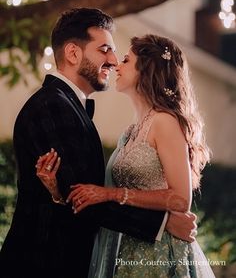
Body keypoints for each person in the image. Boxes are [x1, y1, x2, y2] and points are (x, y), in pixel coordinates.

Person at [0, 9, 196, 278]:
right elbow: (79, 194)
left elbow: (81, 192)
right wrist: (162, 223)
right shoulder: (52, 106)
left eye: (119, 54)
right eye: (105, 49)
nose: (114, 61)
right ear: (73, 53)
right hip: (42, 263)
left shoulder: (69, 106)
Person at [37, 34, 215, 277]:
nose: (116, 66)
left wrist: (110, 193)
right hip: (129, 246)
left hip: (159, 252)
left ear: (146, 69)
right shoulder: (131, 130)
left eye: (126, 60)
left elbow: (180, 199)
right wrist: (56, 188)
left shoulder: (165, 122)